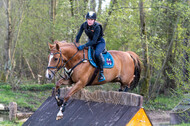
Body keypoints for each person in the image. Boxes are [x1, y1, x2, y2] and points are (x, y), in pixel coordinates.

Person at [75, 11, 106, 82]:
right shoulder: (84, 25)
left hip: (99, 42)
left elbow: (94, 41)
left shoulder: (97, 27)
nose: (89, 21)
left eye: (91, 20)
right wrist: (75, 43)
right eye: (88, 19)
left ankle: (101, 73)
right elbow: (78, 35)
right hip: (90, 42)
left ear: (94, 20)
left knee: (97, 54)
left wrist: (84, 45)